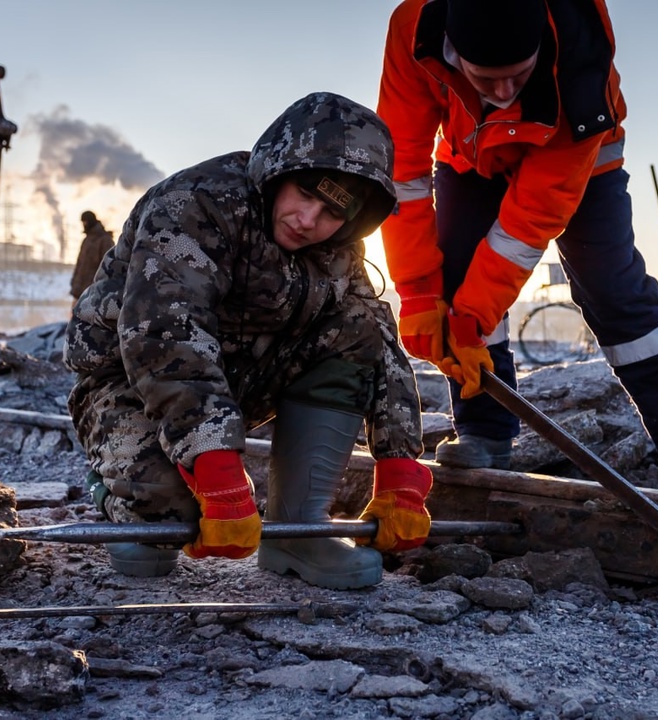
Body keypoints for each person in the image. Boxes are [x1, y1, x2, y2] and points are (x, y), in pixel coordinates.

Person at [376, 0, 658, 501]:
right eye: (485, 79)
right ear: (452, 50)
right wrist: (419, 294)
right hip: (472, 158)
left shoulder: (581, 55)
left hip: (581, 156)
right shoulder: (414, 32)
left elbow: (526, 225)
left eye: (518, 76)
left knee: (615, 293)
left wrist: (471, 317)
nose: (503, 93)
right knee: (456, 276)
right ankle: (484, 433)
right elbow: (400, 170)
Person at [64, 92, 433, 588]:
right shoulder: (196, 203)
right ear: (278, 170)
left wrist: (401, 471)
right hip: (128, 380)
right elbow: (167, 334)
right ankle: (118, 498)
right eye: (305, 194)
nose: (309, 220)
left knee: (357, 325)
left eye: (331, 212)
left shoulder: (337, 251)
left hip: (242, 378)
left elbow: (380, 343)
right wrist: (216, 470)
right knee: (169, 514)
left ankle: (299, 532)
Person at [69, 211, 114, 307]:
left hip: (95, 293)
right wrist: (75, 287)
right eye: (83, 222)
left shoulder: (105, 240)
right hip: (80, 292)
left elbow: (109, 266)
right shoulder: (86, 240)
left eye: (85, 222)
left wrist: (102, 290)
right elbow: (80, 265)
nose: (84, 225)